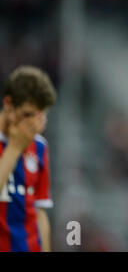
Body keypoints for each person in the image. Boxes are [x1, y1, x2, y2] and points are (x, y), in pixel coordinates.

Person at [0, 66, 57, 252]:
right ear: (8, 104)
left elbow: (39, 212)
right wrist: (15, 147)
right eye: (27, 114)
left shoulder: (39, 147)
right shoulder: (14, 144)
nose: (33, 123)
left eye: (39, 115)